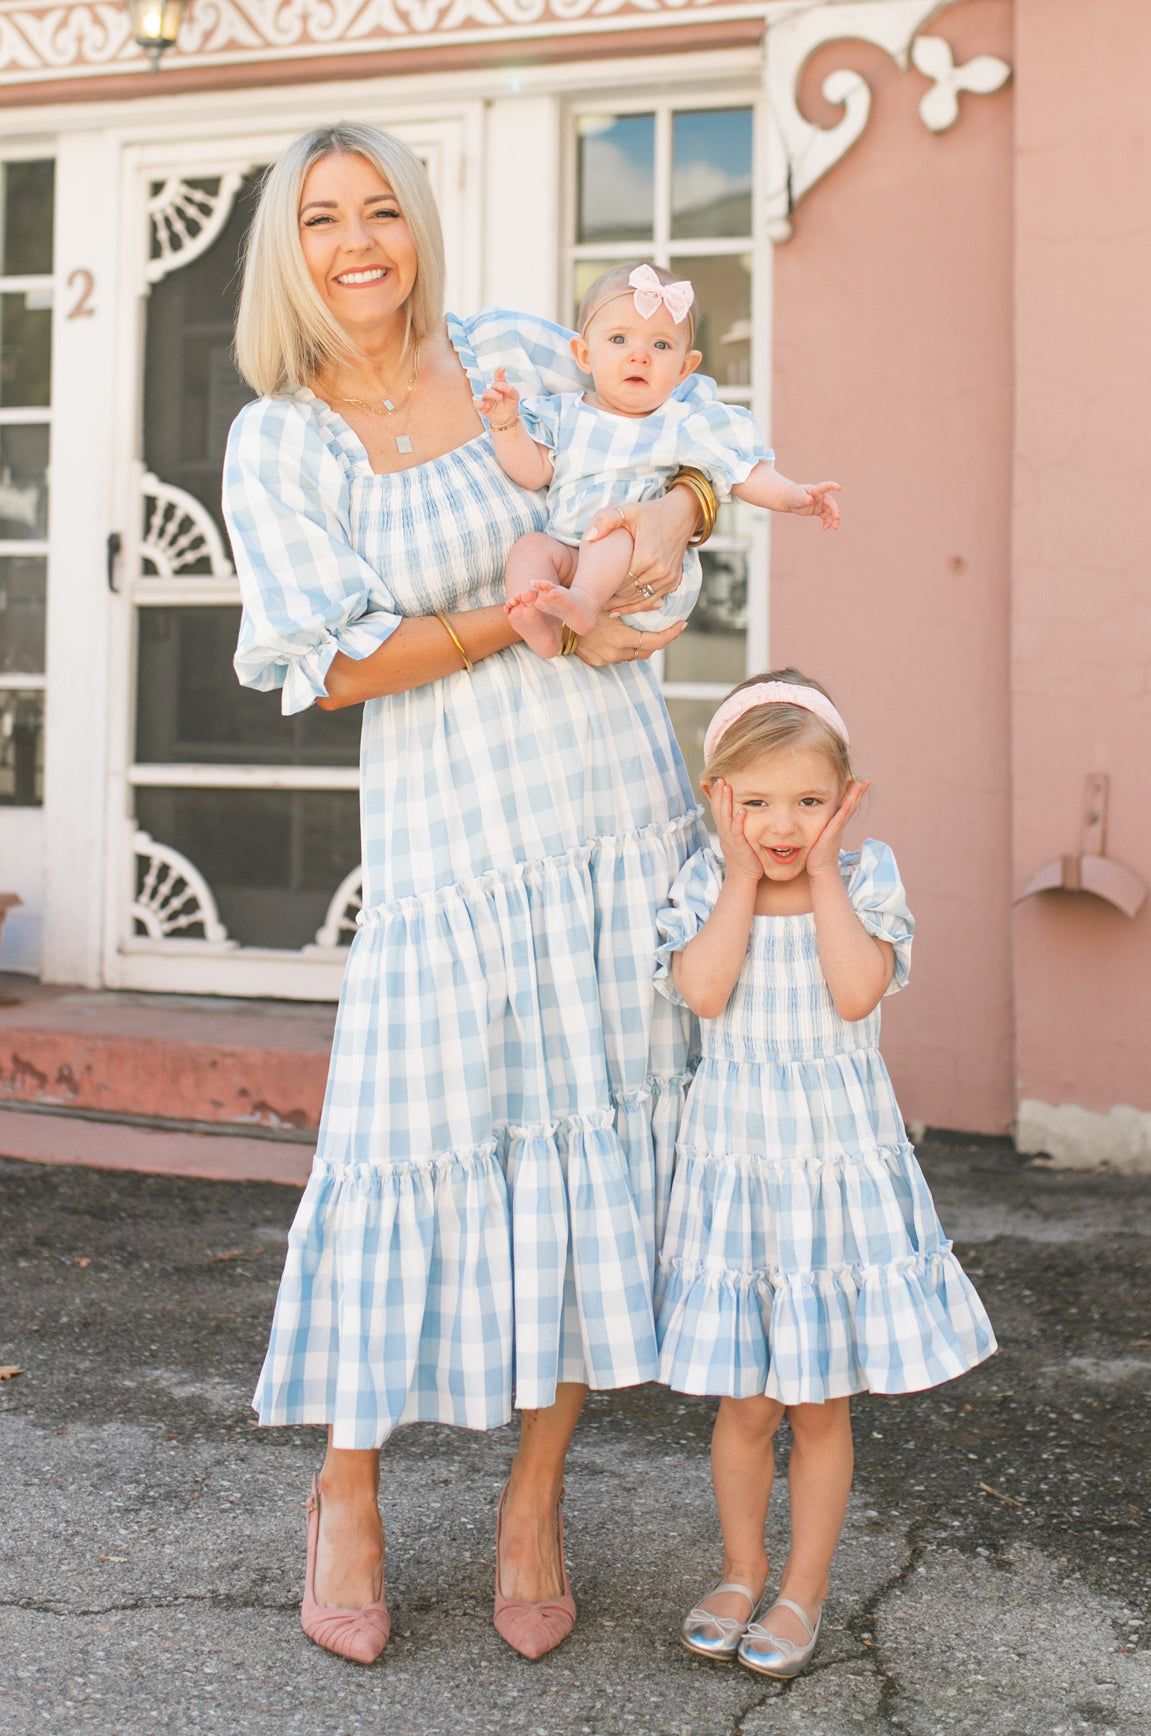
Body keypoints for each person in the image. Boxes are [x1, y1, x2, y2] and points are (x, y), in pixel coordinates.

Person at [222, 121, 719, 1666]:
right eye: (322, 219)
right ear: (287, 253)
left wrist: (652, 529)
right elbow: (336, 662)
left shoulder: (516, 350)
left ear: (419, 225)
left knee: (584, 1149)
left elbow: (689, 460)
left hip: (607, 819)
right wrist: (520, 614)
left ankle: (530, 1503)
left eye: (382, 210)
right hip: (450, 850)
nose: (358, 241)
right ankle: (347, 1493)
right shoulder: (281, 441)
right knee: (406, 1153)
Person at [651, 670, 996, 1679]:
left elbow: (855, 990)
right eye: (753, 801)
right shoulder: (705, 880)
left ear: (845, 795)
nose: (781, 823)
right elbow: (704, 989)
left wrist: (830, 872)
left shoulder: (865, 874)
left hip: (833, 1167)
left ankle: (800, 1586)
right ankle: (737, 1566)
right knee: (746, 1401)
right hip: (741, 1165)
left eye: (807, 799)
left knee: (817, 1401)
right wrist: (739, 876)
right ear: (718, 797)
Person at [475, 262, 841, 659]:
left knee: (614, 528)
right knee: (530, 548)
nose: (639, 357)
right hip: (571, 554)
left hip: (643, 568)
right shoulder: (563, 415)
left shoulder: (682, 422)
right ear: (583, 353)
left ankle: (582, 601)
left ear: (685, 368)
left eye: (661, 346)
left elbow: (744, 471)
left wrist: (792, 497)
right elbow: (531, 473)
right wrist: (506, 423)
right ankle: (541, 624)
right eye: (618, 339)